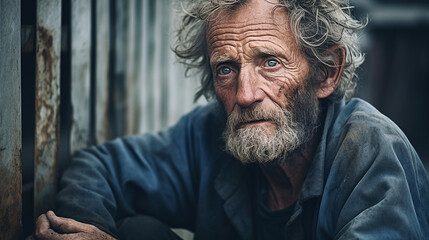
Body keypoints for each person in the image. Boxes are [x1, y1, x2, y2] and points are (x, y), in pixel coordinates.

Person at [30, 0, 429, 239]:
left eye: (270, 62)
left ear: (325, 72)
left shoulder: (370, 150)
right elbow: (98, 167)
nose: (245, 94)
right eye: (226, 69)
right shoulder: (210, 134)